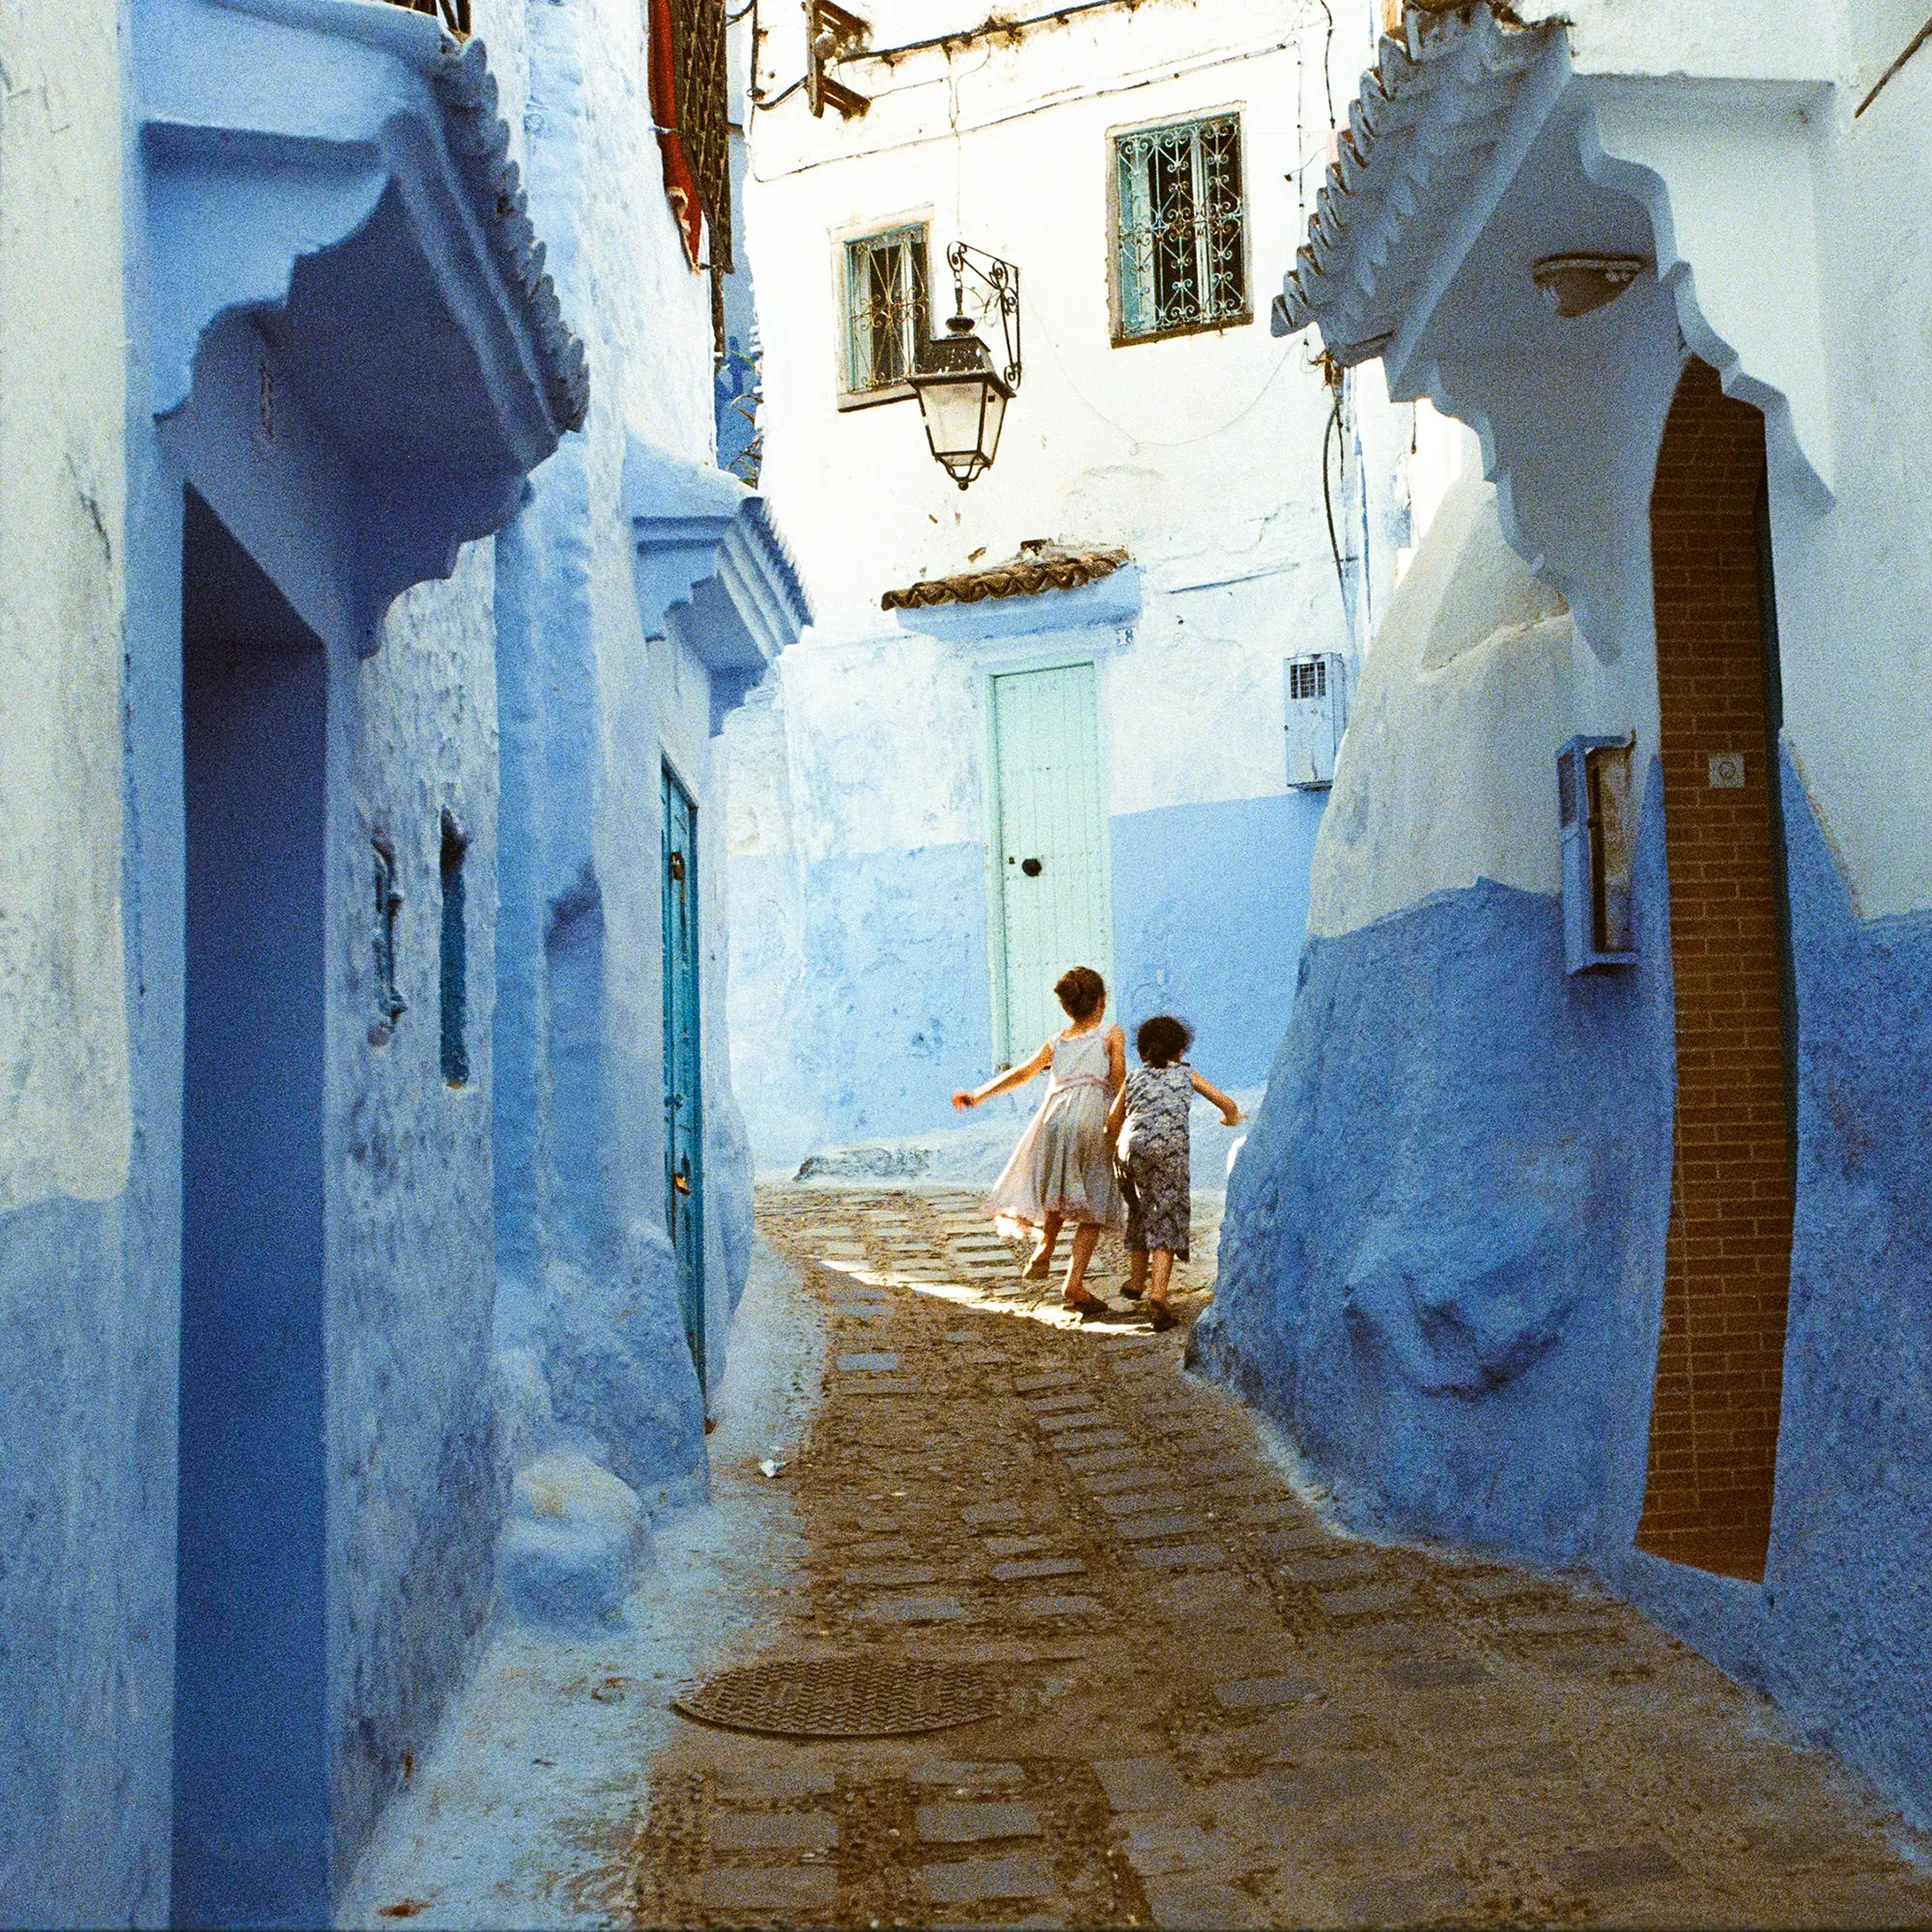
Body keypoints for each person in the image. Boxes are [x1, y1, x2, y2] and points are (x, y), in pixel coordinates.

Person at [952, 965, 1124, 1314]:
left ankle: (1044, 1249)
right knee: (1092, 1205)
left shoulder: (1056, 1041)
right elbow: (1119, 1079)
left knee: (1057, 1189)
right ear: (1101, 1002)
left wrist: (979, 1094)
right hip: (1091, 1117)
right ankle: (1074, 1283)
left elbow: (1023, 1073)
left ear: (1067, 1008)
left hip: (1053, 1118)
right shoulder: (1111, 1034)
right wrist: (1122, 1118)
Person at [1106, 1014, 1241, 1329]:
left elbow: (1112, 1122)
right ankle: (1158, 1296)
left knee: (1140, 1211)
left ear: (1141, 1053)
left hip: (1130, 1151)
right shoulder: (1186, 1075)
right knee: (1166, 1217)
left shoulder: (1134, 1077)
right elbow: (1226, 1103)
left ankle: (1136, 1280)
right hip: (1167, 1156)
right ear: (1181, 1052)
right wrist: (1231, 1118)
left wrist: (1112, 1148)